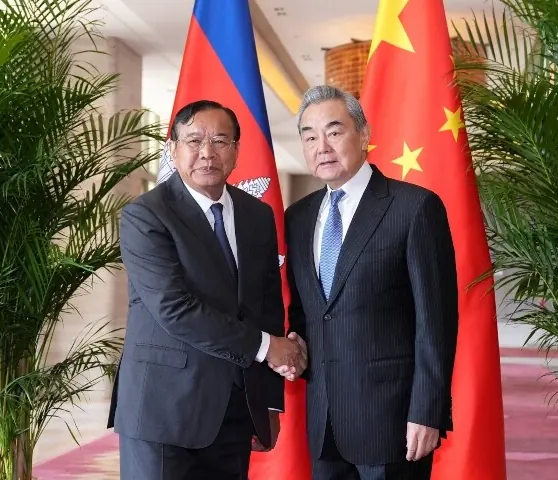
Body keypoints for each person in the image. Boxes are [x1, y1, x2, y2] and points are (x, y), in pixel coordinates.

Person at [107, 100, 307, 480]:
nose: (207, 153)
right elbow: (175, 309)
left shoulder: (256, 215)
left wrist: (266, 404)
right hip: (164, 413)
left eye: (220, 141)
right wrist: (268, 347)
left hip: (234, 411)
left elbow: (266, 306)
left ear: (236, 150)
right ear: (172, 148)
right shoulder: (146, 215)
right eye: (194, 140)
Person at [277, 85, 458, 480]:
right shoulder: (298, 217)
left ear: (363, 135)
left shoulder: (414, 208)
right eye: (309, 136)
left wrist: (427, 411)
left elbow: (436, 322)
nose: (321, 146)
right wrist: (296, 347)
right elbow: (310, 314)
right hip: (324, 421)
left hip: (393, 422)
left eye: (333, 131)